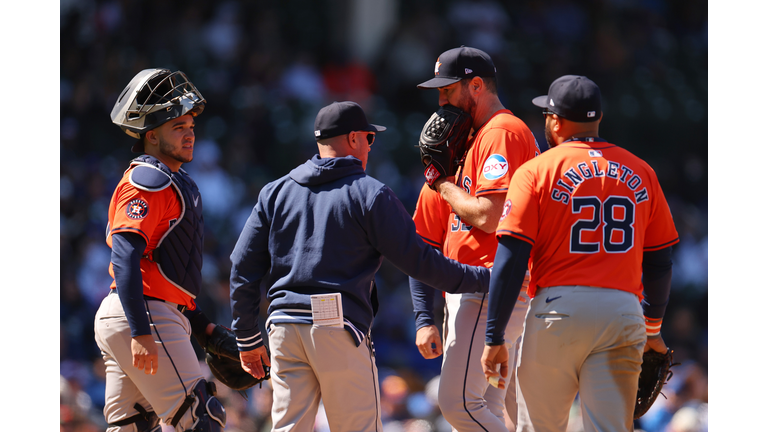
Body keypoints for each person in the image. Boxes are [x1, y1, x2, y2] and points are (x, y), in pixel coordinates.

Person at [229, 101, 492, 432]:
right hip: (333, 321)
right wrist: (486, 278)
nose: (370, 145)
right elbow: (420, 261)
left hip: (282, 326)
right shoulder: (369, 193)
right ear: (354, 138)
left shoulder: (275, 191)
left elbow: (242, 265)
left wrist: (247, 336)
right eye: (369, 138)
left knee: (288, 428)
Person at [481, 75, 679, 432]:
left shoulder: (536, 170)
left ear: (555, 121)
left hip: (558, 310)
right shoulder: (642, 170)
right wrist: (652, 328)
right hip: (622, 312)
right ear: (598, 119)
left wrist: (494, 336)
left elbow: (510, 259)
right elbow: (660, 261)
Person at [409, 46, 540, 431]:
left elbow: (490, 215)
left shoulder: (501, 131)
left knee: (458, 404)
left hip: (488, 283)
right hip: (472, 289)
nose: (440, 101)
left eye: (448, 90)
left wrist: (444, 184)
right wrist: (423, 316)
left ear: (477, 85)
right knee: (486, 409)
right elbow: (424, 243)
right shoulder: (467, 142)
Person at [94, 68, 227, 432]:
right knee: (202, 418)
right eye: (177, 127)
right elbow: (124, 255)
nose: (189, 134)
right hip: (142, 314)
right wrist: (140, 332)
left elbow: (166, 270)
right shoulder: (148, 179)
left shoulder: (172, 180)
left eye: (191, 127)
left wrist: (203, 328)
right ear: (151, 136)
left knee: (133, 427)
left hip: (138, 311)